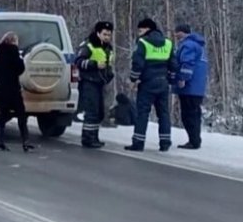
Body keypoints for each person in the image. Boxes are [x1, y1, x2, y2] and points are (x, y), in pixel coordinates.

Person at [126, 18, 178, 152]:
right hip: (163, 83)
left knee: (142, 113)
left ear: (147, 29)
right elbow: (173, 64)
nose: (139, 33)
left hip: (147, 83)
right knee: (164, 113)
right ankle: (165, 142)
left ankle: (138, 142)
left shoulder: (143, 42)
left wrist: (133, 79)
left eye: (140, 30)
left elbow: (138, 64)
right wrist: (171, 80)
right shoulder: (168, 43)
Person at [0, 31, 33, 152]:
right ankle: (26, 141)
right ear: (13, 41)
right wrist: (20, 59)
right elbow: (20, 69)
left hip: (0, 89)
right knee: (21, 115)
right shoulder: (14, 52)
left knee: (2, 116)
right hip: (13, 90)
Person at [75, 21, 115, 148]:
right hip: (89, 82)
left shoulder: (108, 48)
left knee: (99, 112)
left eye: (109, 35)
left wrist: (109, 75)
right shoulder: (88, 45)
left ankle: (94, 136)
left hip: (100, 83)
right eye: (104, 34)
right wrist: (94, 64)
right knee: (91, 111)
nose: (107, 37)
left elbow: (109, 64)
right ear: (98, 33)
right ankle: (88, 138)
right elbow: (78, 62)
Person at [173, 23, 208, 150]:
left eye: (176, 33)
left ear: (181, 32)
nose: (175, 36)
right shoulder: (199, 46)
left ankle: (193, 141)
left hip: (189, 87)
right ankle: (195, 139)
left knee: (188, 115)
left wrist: (182, 78)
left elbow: (187, 63)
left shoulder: (188, 45)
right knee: (195, 114)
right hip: (198, 87)